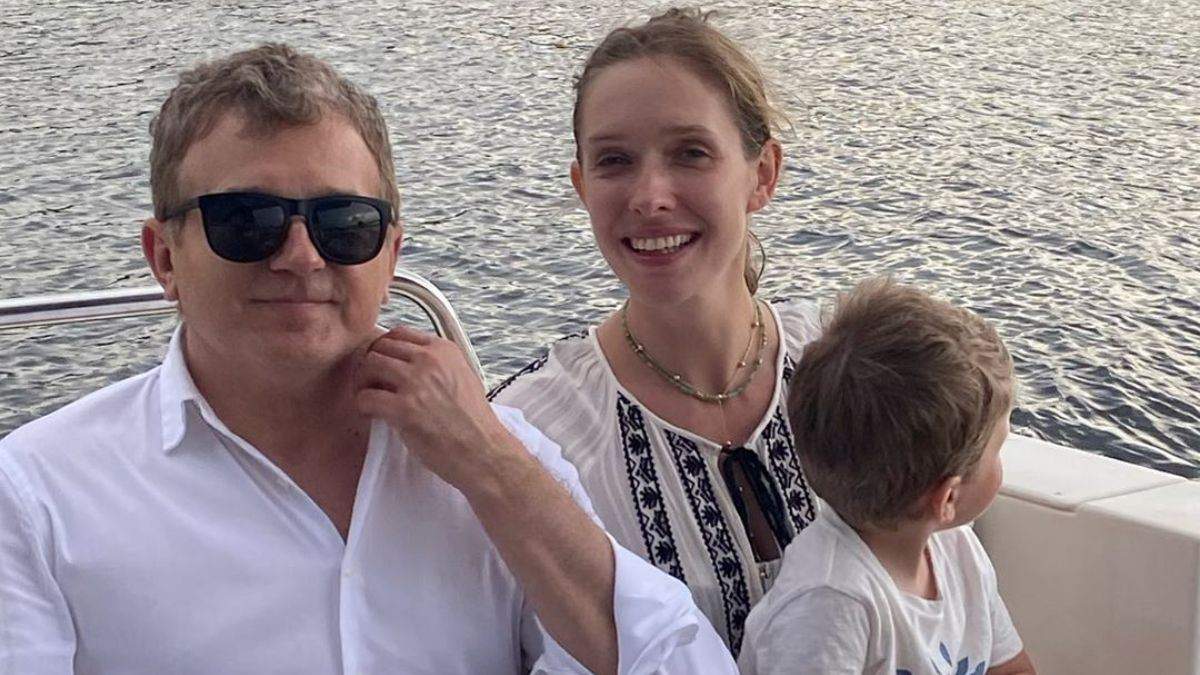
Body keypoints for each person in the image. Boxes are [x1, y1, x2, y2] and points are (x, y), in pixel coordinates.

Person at [0, 44, 738, 674]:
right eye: (247, 222)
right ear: (165, 257)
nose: (300, 257)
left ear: (389, 255)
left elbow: (680, 661)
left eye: (344, 223)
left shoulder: (495, 462)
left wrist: (489, 464)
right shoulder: (38, 498)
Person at [489, 8, 821, 655]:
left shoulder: (848, 363)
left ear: (762, 174)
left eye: (690, 153)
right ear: (582, 186)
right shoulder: (531, 433)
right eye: (614, 161)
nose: (649, 196)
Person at [739, 277, 1036, 674]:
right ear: (947, 498)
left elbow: (1011, 668)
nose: (1001, 463)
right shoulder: (828, 601)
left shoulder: (957, 550)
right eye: (998, 449)